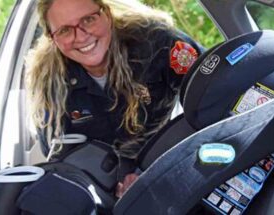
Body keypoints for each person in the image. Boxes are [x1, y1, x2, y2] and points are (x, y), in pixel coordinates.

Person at [26, 0, 203, 198]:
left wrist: (162, 169)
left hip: (168, 171)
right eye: (65, 30)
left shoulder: (159, 44)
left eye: (88, 19)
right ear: (52, 38)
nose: (81, 35)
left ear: (107, 14)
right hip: (97, 189)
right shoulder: (49, 79)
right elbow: (59, 155)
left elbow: (212, 96)